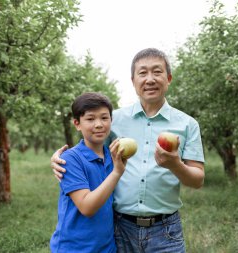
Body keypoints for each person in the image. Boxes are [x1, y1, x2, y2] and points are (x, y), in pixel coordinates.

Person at [50, 48, 205, 252]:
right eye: (142, 73)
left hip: (165, 230)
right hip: (120, 228)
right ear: (133, 81)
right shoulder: (113, 120)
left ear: (168, 79)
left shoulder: (187, 124)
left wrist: (175, 164)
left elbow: (197, 180)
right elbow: (89, 146)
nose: (150, 79)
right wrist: (59, 157)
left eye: (157, 72)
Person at [50, 92, 127, 253]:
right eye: (90, 119)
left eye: (104, 118)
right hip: (74, 248)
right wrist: (116, 173)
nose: (99, 124)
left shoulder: (111, 155)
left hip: (106, 248)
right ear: (77, 124)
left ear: (111, 121)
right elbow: (86, 207)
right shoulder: (70, 159)